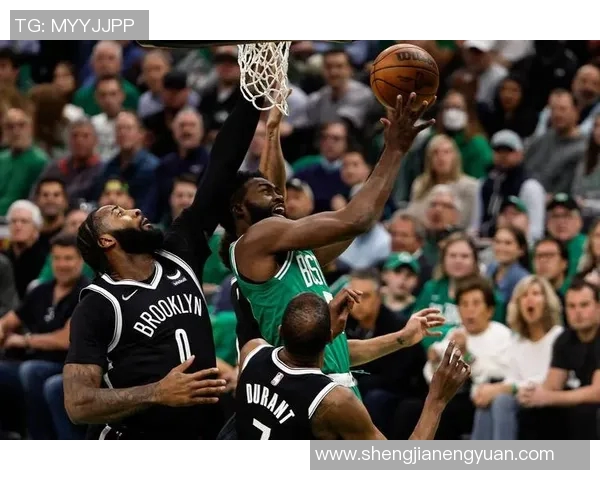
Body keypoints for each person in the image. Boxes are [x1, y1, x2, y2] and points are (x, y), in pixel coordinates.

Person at [62, 93, 266, 440]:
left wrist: (252, 95)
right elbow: (78, 403)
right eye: (119, 214)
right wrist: (156, 392)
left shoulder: (179, 250)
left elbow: (221, 167)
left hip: (204, 431)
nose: (135, 211)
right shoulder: (98, 303)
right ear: (106, 241)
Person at [220, 93, 437, 397]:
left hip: (332, 383)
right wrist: (394, 149)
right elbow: (356, 219)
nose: (279, 196)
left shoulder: (294, 257)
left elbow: (341, 351)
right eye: (266, 193)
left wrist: (402, 337)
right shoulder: (256, 240)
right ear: (238, 210)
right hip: (306, 389)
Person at [235, 292, 470, 440]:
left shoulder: (252, 352)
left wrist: (401, 338)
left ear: (280, 331)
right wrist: (436, 400)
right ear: (330, 337)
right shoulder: (334, 401)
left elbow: (339, 353)